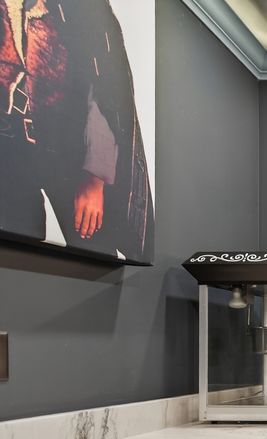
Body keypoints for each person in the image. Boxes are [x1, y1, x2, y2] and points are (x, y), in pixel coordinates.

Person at [0, 0, 153, 262]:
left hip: (70, 151)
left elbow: (104, 84)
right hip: (10, 151)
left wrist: (95, 175)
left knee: (94, 256)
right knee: (18, 257)